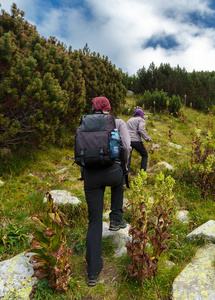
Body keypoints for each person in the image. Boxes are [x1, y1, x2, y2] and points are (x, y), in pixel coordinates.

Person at [83, 96, 130, 287]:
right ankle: (115, 219)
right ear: (109, 108)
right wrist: (124, 167)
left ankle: (93, 272)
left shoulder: (85, 123)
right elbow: (126, 147)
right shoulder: (118, 122)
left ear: (93, 108)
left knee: (94, 222)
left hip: (91, 175)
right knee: (120, 179)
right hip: (112, 172)